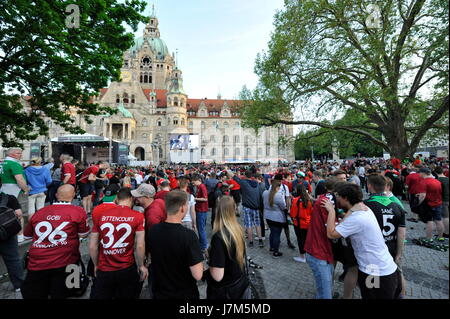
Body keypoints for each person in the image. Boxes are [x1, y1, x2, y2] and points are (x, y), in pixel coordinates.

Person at [323, 183, 402, 299]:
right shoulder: (363, 209)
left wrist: (331, 211)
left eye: (338, 196)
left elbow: (331, 234)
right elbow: (346, 221)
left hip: (374, 271)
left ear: (345, 198)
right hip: (385, 267)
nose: (336, 199)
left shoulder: (357, 218)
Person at [21, 185, 90, 299]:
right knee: (66, 292)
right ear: (73, 196)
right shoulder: (78, 211)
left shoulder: (39, 212)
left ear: (56, 195)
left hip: (37, 263)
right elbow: (83, 234)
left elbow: (27, 236)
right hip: (67, 261)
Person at [89, 188, 148, 299]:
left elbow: (93, 246)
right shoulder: (138, 216)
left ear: (116, 199)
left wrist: (96, 264)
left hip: (105, 266)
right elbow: (140, 245)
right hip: (126, 266)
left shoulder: (101, 215)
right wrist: (141, 266)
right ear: (131, 199)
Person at [147, 190, 204, 299]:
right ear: (182, 208)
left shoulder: (153, 231)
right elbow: (198, 275)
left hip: (160, 291)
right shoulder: (189, 236)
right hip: (184, 293)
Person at [365, 174, 407, 298]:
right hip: (391, 248)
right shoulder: (397, 206)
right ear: (385, 187)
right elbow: (401, 233)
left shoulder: (365, 206)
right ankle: (401, 296)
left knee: (372, 283)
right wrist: (399, 254)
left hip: (373, 251)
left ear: (369, 186)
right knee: (397, 274)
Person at [207, 196, 248, 299]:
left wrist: (209, 263)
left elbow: (217, 276)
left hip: (224, 291)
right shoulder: (238, 229)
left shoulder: (219, 237)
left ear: (218, 211)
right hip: (238, 284)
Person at [304, 177, 338, 299]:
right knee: (326, 294)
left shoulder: (324, 199)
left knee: (325, 289)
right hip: (319, 253)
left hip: (323, 252)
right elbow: (332, 232)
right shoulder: (328, 203)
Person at [226, 169, 264, 248]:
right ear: (252, 176)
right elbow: (260, 195)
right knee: (257, 224)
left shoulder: (244, 183)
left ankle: (251, 242)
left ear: (245, 176)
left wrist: (227, 169)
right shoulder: (256, 184)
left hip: (247, 207)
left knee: (248, 225)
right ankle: (260, 240)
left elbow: (233, 175)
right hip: (256, 207)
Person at [0, 177, 24, 297]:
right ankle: (19, 285)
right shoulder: (9, 198)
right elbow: (19, 214)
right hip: (7, 235)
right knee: (13, 260)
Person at [0, 148, 28, 242]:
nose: (21, 155)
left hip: (2, 191)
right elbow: (19, 179)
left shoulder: (1, 163)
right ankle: (20, 235)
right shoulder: (15, 164)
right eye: (18, 153)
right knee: (19, 213)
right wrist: (25, 189)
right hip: (15, 191)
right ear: (11, 154)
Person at [417, 167, 444, 242]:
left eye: (419, 173)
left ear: (423, 173)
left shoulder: (424, 182)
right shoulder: (437, 181)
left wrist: (419, 203)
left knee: (429, 221)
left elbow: (422, 195)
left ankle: (429, 238)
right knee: (438, 220)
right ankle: (440, 237)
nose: (419, 174)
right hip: (438, 203)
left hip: (428, 204)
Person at [262, 180, 286, 257]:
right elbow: (283, 207)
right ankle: (276, 251)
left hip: (268, 216)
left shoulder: (265, 193)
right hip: (277, 217)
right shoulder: (278, 196)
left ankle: (272, 247)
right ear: (277, 187)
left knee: (272, 232)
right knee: (277, 234)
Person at [290, 183, 313, 263]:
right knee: (307, 239)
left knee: (300, 240)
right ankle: (309, 255)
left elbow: (293, 213)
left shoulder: (295, 200)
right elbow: (311, 212)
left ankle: (302, 257)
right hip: (308, 223)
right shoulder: (309, 199)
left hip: (299, 223)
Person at [192, 174, 209, 254]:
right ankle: (202, 244)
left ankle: (204, 247)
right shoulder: (199, 187)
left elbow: (205, 198)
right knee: (200, 229)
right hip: (200, 210)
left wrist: (195, 199)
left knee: (201, 229)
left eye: (194, 182)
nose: (193, 184)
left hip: (202, 210)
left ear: (197, 180)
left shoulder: (202, 187)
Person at [435, 166, 449, 238]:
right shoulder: (448, 179)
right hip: (448, 198)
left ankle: (446, 232)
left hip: (443, 200)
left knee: (445, 217)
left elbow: (437, 192)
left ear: (436, 172)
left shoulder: (438, 180)